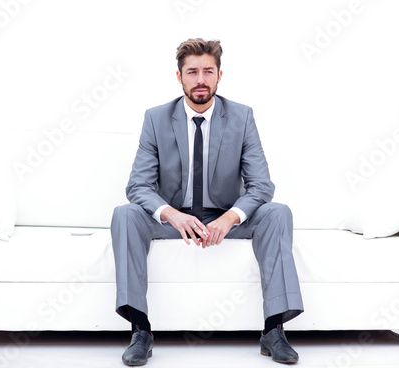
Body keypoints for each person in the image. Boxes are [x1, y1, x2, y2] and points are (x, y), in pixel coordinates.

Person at [111, 38, 303, 366]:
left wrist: (230, 218)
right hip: (176, 220)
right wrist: (172, 215)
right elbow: (138, 186)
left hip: (223, 217)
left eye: (208, 72)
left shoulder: (241, 117)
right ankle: (140, 331)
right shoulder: (157, 119)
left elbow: (261, 185)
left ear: (219, 75)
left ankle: (273, 330)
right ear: (179, 77)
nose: (200, 79)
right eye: (192, 72)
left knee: (277, 213)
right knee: (125, 214)